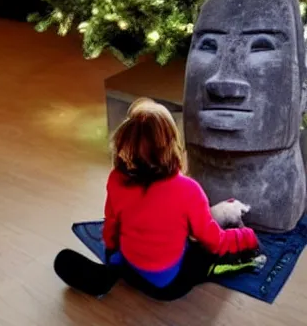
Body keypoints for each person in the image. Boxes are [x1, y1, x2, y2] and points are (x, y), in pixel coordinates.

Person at [54, 98, 266, 300]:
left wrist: (111, 252)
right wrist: (246, 237)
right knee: (202, 254)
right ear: (172, 147)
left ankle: (113, 270)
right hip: (168, 287)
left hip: (130, 268)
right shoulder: (189, 190)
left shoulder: (116, 180)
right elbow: (213, 240)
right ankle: (223, 266)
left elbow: (111, 226)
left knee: (124, 247)